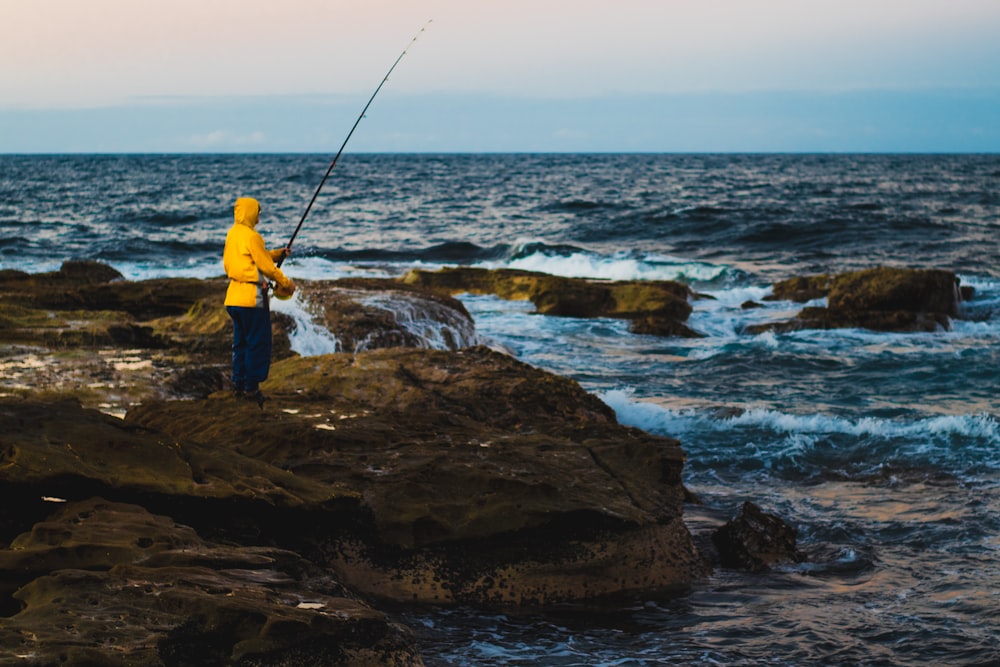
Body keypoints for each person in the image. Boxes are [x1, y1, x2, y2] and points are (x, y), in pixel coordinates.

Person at [223, 197, 296, 408]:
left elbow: (253, 258)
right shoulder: (252, 236)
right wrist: (287, 282)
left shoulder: (233, 233)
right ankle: (251, 389)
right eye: (258, 213)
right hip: (252, 301)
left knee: (241, 344)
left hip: (233, 299)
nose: (259, 218)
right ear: (251, 212)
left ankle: (238, 383)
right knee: (258, 344)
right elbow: (267, 269)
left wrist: (277, 254)